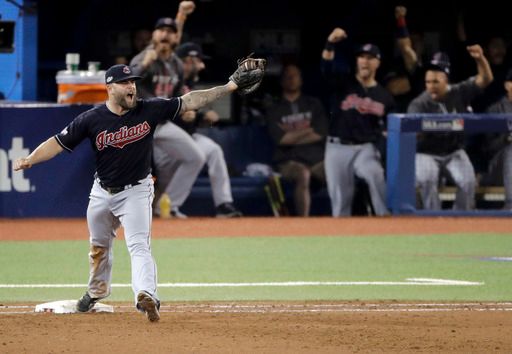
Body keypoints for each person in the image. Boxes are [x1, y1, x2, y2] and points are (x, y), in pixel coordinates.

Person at [12, 62, 263, 321]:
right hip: (101, 192)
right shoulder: (91, 119)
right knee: (98, 247)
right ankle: (95, 292)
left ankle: (146, 295)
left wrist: (231, 85)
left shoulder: (149, 109)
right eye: (125, 83)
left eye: (133, 82)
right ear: (110, 88)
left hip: (137, 192)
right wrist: (30, 159)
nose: (132, 86)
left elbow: (189, 101)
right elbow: (57, 142)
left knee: (139, 246)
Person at [130, 17, 204, 218]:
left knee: (195, 157)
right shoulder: (143, 58)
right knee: (129, 170)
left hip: (161, 124)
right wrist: (144, 65)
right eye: (160, 29)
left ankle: (167, 205)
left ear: (175, 38)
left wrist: (185, 108)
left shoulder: (177, 64)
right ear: (154, 35)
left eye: (170, 31)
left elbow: (179, 92)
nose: (165, 33)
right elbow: (126, 84)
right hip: (137, 125)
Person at [407, 47, 493, 210]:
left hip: (453, 151)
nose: (431, 86)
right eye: (428, 82)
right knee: (427, 179)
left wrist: (480, 58)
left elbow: (486, 79)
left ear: (446, 80)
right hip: (427, 152)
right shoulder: (419, 103)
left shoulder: (459, 92)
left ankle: (460, 218)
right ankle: (434, 220)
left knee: (468, 181)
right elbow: (412, 132)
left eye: (435, 82)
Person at [321, 27, 395, 217]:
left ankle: (386, 220)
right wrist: (330, 43)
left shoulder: (385, 96)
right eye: (361, 57)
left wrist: (381, 143)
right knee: (340, 200)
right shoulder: (343, 83)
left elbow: (389, 128)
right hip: (337, 146)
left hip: (365, 148)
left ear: (377, 63)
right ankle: (342, 237)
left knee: (375, 174)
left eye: (370, 57)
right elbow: (326, 68)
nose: (365, 61)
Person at [174, 41, 243, 217]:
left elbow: (187, 116)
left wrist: (200, 119)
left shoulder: (187, 82)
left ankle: (223, 204)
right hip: (163, 138)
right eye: (199, 61)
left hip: (186, 136)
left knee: (213, 150)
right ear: (188, 60)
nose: (202, 65)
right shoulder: (173, 79)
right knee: (195, 156)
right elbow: (165, 109)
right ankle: (170, 207)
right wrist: (198, 116)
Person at [265, 63, 328, 216]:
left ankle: (343, 220)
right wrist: (308, 130)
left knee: (336, 170)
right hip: (288, 160)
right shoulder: (274, 109)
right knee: (303, 173)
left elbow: (320, 133)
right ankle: (303, 223)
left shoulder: (313, 104)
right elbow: (281, 140)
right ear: (282, 81)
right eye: (288, 76)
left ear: (301, 80)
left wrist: (293, 135)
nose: (292, 79)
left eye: (295, 76)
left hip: (317, 159)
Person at [483, 68, 512, 210]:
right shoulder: (495, 110)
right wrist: (506, 138)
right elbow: (487, 148)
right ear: (507, 85)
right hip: (498, 168)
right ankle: (511, 206)